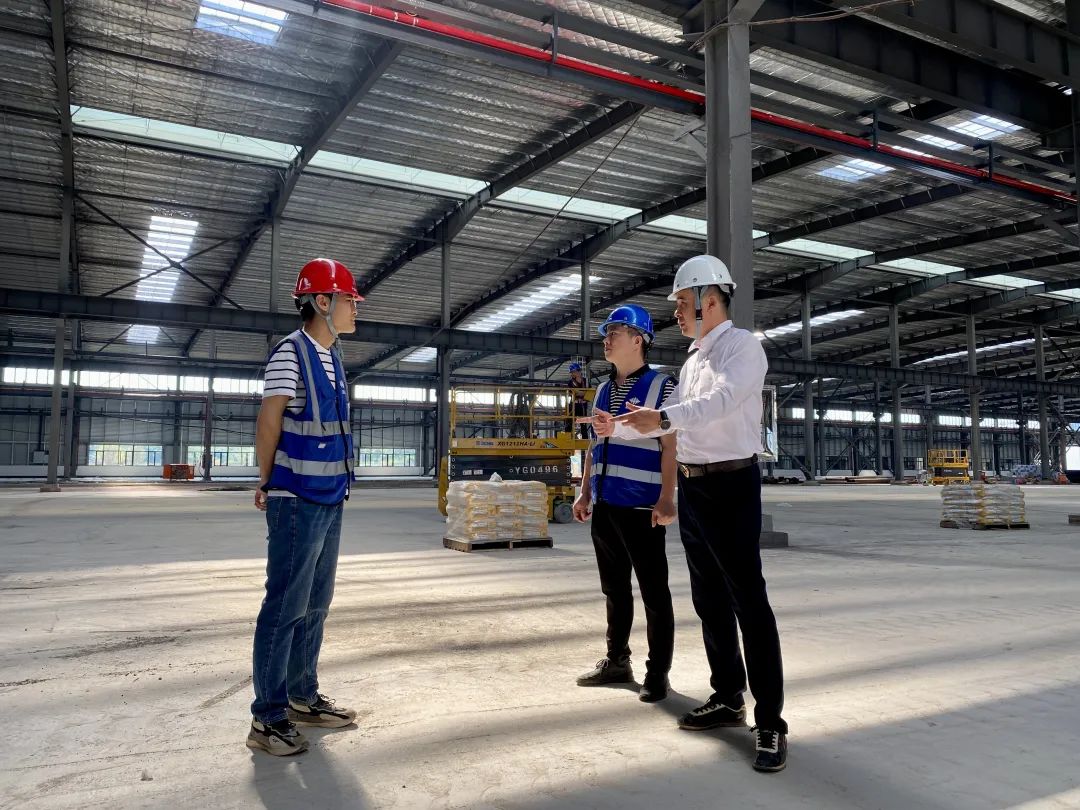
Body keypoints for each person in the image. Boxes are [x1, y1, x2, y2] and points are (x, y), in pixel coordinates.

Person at [594, 255, 788, 773]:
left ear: (709, 299)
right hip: (695, 486)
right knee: (709, 599)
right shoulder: (693, 360)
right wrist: (619, 428)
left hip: (732, 484)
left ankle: (770, 721)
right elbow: (672, 423)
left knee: (748, 601)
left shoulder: (742, 348)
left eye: (682, 303)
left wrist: (660, 416)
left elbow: (719, 403)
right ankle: (727, 695)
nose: (676, 312)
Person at [247, 258, 362, 756]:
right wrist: (266, 480)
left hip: (330, 494)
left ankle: (301, 696)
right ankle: (267, 718)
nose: (355, 307)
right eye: (349, 299)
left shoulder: (332, 356)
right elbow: (269, 420)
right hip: (296, 497)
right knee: (285, 606)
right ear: (321, 301)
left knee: (316, 602)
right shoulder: (289, 353)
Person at [572, 305, 677, 703]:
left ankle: (658, 672)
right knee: (614, 590)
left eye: (614, 332)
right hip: (606, 506)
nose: (606, 339)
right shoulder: (601, 390)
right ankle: (617, 660)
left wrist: (667, 498)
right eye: (606, 333)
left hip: (642, 507)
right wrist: (585, 491)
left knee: (654, 593)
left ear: (638, 339)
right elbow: (594, 446)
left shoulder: (662, 387)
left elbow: (671, 447)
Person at [568, 362, 590, 440]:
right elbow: (572, 392)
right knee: (569, 421)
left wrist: (580, 393)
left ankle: (585, 440)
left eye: (573, 372)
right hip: (574, 405)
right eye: (571, 372)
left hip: (583, 405)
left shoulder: (586, 381)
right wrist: (582, 393)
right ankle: (567, 438)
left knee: (583, 423)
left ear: (578, 371)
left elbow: (589, 392)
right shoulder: (571, 382)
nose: (572, 374)